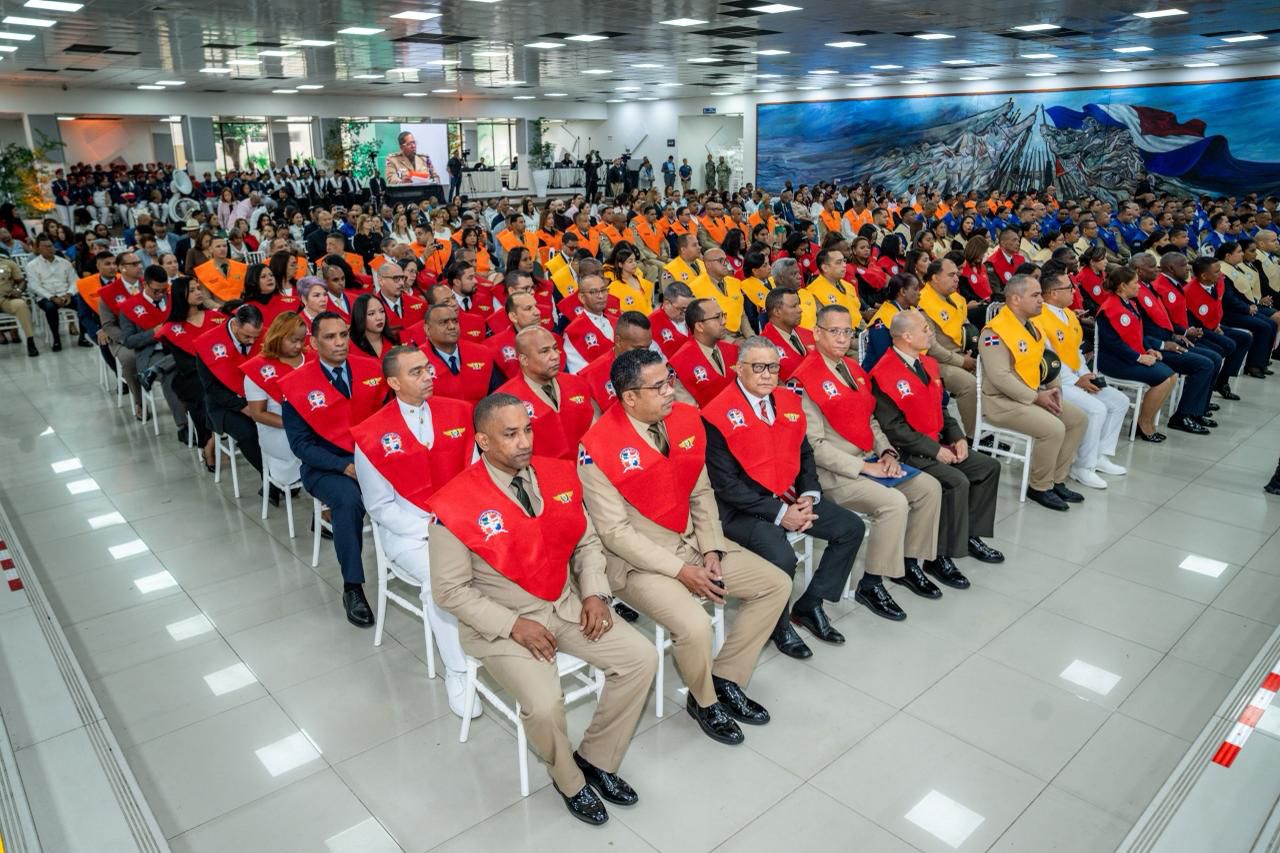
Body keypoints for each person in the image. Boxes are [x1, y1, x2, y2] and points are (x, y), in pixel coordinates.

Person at [429, 393, 655, 825]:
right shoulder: (453, 504)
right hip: (502, 624)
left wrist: (593, 592)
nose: (524, 442)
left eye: (527, 430)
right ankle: (568, 778)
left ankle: (596, 759)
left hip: (565, 603)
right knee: (547, 705)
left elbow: (586, 542)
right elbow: (450, 591)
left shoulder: (558, 474)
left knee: (640, 659)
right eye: (510, 434)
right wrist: (513, 625)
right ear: (482, 441)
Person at [578, 349, 790, 746]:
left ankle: (726, 677)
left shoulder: (684, 418)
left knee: (775, 584)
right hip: (638, 563)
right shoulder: (597, 448)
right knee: (693, 625)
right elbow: (615, 534)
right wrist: (680, 571)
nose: (670, 390)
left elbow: (701, 490)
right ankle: (704, 700)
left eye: (670, 379)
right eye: (659, 386)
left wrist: (711, 549)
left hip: (693, 542)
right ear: (629, 397)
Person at [702, 336, 861, 657]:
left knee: (850, 528)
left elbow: (804, 454)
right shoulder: (716, 414)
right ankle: (780, 626)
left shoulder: (789, 401)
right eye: (757, 367)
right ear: (738, 368)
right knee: (782, 557)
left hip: (790, 496)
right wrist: (779, 513)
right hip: (741, 509)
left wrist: (810, 494)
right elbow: (726, 486)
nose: (766, 375)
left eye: (772, 367)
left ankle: (810, 603)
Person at [795, 303, 951, 614]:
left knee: (929, 488)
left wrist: (887, 452)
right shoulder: (804, 379)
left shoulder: (853, 369)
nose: (841, 338)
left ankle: (908, 564)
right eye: (834, 331)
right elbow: (815, 446)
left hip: (869, 458)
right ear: (817, 333)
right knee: (894, 504)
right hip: (834, 472)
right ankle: (872, 582)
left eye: (847, 332)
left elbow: (872, 422)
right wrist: (865, 466)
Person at [353, 345, 479, 719]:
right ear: (393, 382)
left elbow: (475, 475)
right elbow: (379, 507)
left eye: (428, 368)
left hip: (461, 520)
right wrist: (431, 528)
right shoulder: (371, 435)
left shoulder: (458, 411)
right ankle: (457, 671)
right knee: (440, 582)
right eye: (416, 372)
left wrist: (461, 520)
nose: (429, 376)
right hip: (410, 533)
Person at [280, 312, 388, 627]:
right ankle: (352, 586)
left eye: (343, 335)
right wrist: (344, 466)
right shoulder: (296, 384)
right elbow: (300, 445)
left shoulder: (370, 369)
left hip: (374, 458)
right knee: (349, 500)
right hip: (325, 466)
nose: (340, 342)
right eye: (330, 337)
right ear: (313, 343)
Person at [871, 311, 1004, 565]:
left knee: (987, 467)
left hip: (935, 442)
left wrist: (958, 437)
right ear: (907, 336)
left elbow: (941, 408)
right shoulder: (883, 373)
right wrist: (934, 450)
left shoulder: (928, 364)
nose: (931, 334)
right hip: (908, 451)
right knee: (956, 481)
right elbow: (893, 429)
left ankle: (969, 535)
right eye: (925, 329)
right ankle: (939, 555)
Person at [978, 275, 1088, 510]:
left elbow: (1048, 360)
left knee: (1078, 419)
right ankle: (1039, 487)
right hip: (1002, 402)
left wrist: (1054, 389)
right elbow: (1000, 378)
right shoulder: (995, 332)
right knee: (1054, 428)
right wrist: (1037, 397)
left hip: (1032, 395)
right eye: (1035, 295)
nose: (1041, 300)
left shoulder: (1034, 326)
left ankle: (1057, 480)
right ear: (1016, 299)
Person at [1033, 267, 1129, 489]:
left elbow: (1075, 350)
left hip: (1076, 375)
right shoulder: (1040, 318)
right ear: (1053, 293)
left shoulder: (1067, 314)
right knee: (1097, 409)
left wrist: (1085, 373)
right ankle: (1082, 467)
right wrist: (1076, 380)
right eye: (1069, 288)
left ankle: (1100, 455)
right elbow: (1048, 357)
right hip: (1055, 380)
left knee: (1119, 401)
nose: (1074, 291)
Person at [1093, 266, 1185, 441]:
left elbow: (1137, 333)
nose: (1139, 286)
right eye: (1135, 283)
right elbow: (1114, 344)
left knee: (1172, 377)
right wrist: (1139, 357)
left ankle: (1147, 420)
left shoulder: (1130, 303)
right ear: (1122, 286)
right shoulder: (1109, 309)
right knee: (1163, 380)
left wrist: (1149, 349)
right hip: (1115, 361)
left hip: (1131, 356)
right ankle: (1143, 424)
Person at [498, 327, 595, 459]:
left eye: (555, 348)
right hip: (541, 475)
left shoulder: (578, 383)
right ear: (524, 360)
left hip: (586, 467)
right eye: (544, 351)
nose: (555, 356)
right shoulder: (504, 401)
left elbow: (594, 430)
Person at [241, 311, 307, 500]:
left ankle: (327, 505)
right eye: (293, 340)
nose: (299, 345)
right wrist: (295, 424)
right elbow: (258, 413)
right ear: (278, 337)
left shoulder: (311, 360)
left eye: (302, 340)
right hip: (279, 429)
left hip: (312, 425)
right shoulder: (258, 369)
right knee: (320, 449)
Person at [195, 303, 265, 478]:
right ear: (235, 325)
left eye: (256, 337)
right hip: (224, 404)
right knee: (249, 433)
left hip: (260, 397)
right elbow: (211, 388)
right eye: (247, 336)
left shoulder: (263, 335)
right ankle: (270, 477)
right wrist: (244, 407)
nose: (252, 341)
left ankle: (286, 474)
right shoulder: (206, 344)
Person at [158, 277, 220, 466]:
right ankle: (207, 442)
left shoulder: (215, 317)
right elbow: (185, 364)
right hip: (192, 375)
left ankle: (214, 440)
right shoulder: (172, 328)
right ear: (180, 295)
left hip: (220, 371)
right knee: (202, 395)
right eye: (192, 290)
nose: (198, 293)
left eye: (198, 288)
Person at [917, 258, 978, 437]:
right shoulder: (924, 303)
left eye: (957, 275)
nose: (957, 279)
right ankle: (973, 438)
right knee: (970, 385)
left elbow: (965, 328)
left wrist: (970, 352)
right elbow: (931, 346)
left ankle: (986, 427)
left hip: (959, 355)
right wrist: (962, 361)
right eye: (951, 275)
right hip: (933, 361)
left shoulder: (955, 299)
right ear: (935, 278)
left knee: (992, 377)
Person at [98, 251, 147, 416]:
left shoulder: (148, 285)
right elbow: (108, 325)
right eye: (134, 264)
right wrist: (128, 339)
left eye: (139, 263)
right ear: (122, 268)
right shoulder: (108, 293)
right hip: (123, 339)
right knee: (130, 358)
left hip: (150, 334)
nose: (139, 266)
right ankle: (140, 402)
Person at [420, 302, 496, 402]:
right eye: (443, 322)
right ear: (427, 329)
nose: (452, 326)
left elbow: (496, 393)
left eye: (455, 321)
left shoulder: (482, 353)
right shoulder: (416, 360)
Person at [669, 297, 737, 407]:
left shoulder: (732, 350)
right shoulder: (679, 363)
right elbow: (688, 410)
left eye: (723, 315)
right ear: (699, 326)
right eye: (717, 317)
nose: (724, 322)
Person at [579, 311, 652, 412]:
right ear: (618, 341)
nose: (644, 354)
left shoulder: (654, 366)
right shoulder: (590, 377)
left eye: (648, 347)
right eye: (637, 348)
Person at [25, 234, 88, 349]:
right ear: (38, 249)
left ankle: (83, 337)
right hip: (46, 297)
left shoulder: (64, 263)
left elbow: (76, 281)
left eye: (51, 246)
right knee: (50, 308)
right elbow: (34, 286)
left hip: (65, 294)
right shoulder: (32, 265)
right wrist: (52, 297)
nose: (49, 249)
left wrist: (69, 294)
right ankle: (56, 339)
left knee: (82, 303)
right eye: (45, 247)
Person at [562, 273, 617, 372]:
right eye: (593, 292)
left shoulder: (615, 322)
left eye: (603, 290)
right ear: (582, 298)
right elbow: (579, 373)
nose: (601, 296)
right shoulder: (573, 332)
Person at [759, 287, 813, 380]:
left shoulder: (809, 334)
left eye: (798, 305)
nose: (800, 310)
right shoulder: (762, 346)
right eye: (793, 306)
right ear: (777, 312)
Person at [0, 253, 37, 356]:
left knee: (21, 305)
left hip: (6, 298)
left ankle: (30, 341)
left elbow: (21, 281)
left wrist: (18, 290)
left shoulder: (7, 262)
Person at [648, 281, 693, 358]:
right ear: (667, 304)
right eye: (682, 308)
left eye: (688, 307)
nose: (685, 312)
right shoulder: (651, 324)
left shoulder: (693, 315)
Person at [193, 237, 247, 302]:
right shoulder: (203, 271)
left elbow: (247, 291)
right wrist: (221, 310)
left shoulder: (241, 267)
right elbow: (206, 299)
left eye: (224, 246)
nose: (222, 249)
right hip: (219, 308)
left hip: (241, 306)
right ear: (210, 249)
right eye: (218, 246)